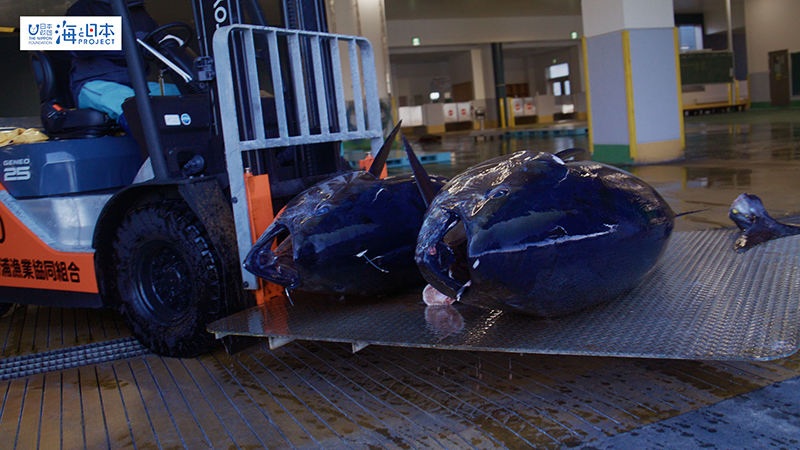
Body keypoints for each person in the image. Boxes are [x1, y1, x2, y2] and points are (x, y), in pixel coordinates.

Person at [66, 0, 179, 122]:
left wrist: (170, 45)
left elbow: (159, 40)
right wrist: (131, 47)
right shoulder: (83, 9)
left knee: (181, 95)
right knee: (130, 104)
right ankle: (155, 141)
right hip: (95, 82)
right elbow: (77, 49)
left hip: (137, 84)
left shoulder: (138, 11)